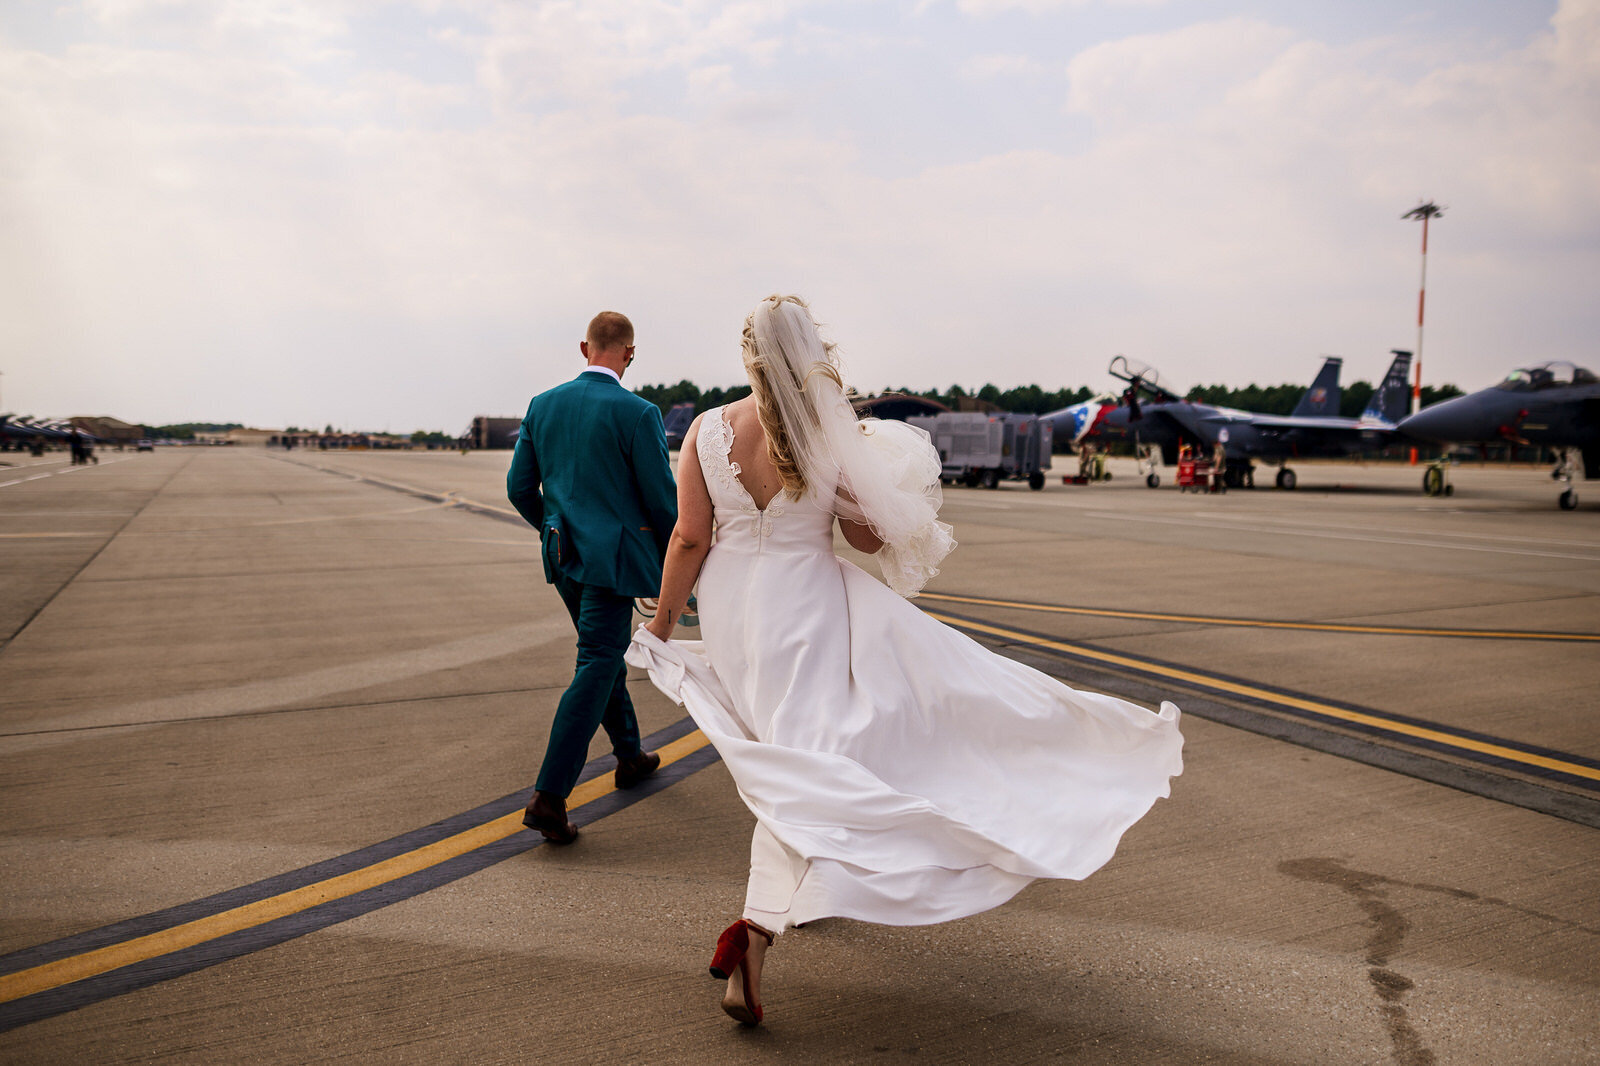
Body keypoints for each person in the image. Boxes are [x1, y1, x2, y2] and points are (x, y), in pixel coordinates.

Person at [626, 295, 1183, 1026]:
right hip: (805, 610)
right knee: (812, 760)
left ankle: (771, 915)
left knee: (790, 760)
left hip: (736, 618)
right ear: (808, 351)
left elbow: (689, 539)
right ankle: (755, 932)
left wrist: (663, 627)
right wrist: (870, 476)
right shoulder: (822, 429)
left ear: (747, 354)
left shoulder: (702, 431)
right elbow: (862, 539)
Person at [506, 311, 679, 844]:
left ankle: (629, 755)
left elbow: (518, 488)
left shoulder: (543, 405)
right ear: (629, 353)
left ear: (585, 348)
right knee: (599, 659)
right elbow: (662, 502)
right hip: (613, 563)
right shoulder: (639, 412)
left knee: (599, 655)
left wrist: (553, 532)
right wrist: (674, 564)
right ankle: (550, 796)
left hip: (563, 557)